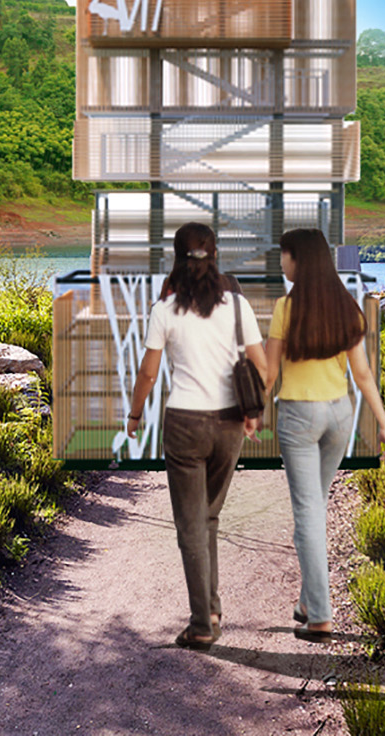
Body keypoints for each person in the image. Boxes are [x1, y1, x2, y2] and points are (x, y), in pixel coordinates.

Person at [125, 222, 272, 649]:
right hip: (229, 423)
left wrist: (134, 415)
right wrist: (253, 411)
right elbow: (261, 366)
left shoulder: (164, 311)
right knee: (207, 516)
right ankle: (210, 607)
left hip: (185, 424)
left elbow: (149, 373)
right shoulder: (237, 305)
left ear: (176, 257)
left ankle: (202, 623)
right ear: (215, 255)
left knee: (191, 523)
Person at [266, 228, 385, 640]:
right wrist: (383, 424)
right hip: (340, 415)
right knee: (314, 509)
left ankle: (320, 615)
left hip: (300, 418)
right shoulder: (347, 308)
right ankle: (307, 600)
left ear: (299, 260)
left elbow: (269, 375)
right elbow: (363, 376)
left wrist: (250, 411)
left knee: (306, 514)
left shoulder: (286, 309)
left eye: (284, 256)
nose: (281, 263)